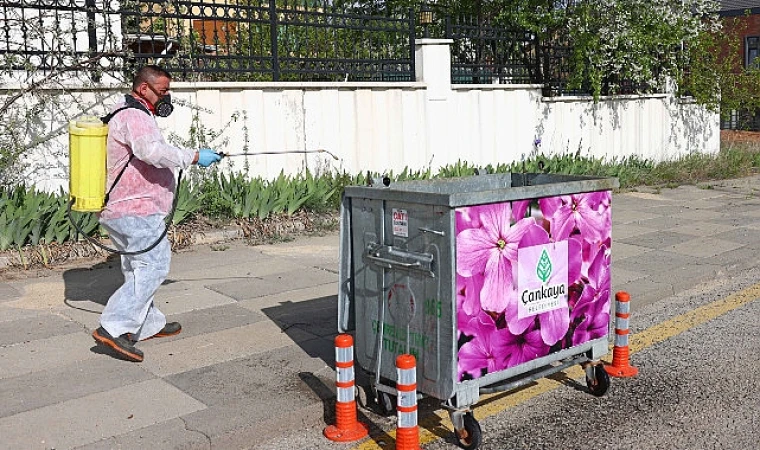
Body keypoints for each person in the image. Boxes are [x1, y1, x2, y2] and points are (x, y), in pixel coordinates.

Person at [91, 65, 222, 362]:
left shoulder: (124, 111)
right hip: (135, 207)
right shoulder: (135, 116)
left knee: (138, 267)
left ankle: (148, 324)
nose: (167, 97)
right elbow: (152, 152)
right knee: (153, 265)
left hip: (123, 207)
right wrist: (194, 156)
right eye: (162, 91)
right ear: (143, 89)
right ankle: (113, 327)